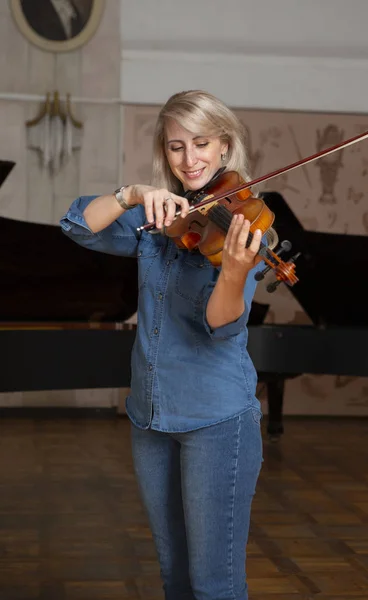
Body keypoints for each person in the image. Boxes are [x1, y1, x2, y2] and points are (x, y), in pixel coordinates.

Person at [60, 90, 266, 600]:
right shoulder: (156, 218)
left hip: (216, 419)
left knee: (214, 585)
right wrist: (131, 194)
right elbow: (77, 226)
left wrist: (235, 274)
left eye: (201, 144)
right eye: (176, 147)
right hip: (150, 417)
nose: (189, 159)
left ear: (224, 147)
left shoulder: (245, 224)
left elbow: (221, 327)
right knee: (174, 578)